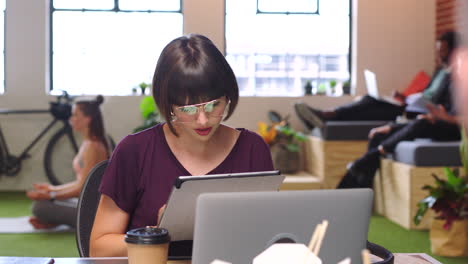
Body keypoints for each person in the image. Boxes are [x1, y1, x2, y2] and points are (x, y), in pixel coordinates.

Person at [89, 34, 274, 257]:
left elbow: (266, 237)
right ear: (168, 104)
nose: (203, 120)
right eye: (188, 109)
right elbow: (99, 248)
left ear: (228, 97)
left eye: (214, 105)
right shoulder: (135, 150)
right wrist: (158, 234)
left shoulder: (252, 148)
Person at [295, 31, 459, 129]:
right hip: (410, 104)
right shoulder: (439, 72)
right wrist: (403, 97)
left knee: (369, 102)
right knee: (369, 99)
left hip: (417, 112)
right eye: (437, 50)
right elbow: (425, 94)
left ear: (453, 51)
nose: (438, 55)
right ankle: (327, 117)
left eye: (442, 51)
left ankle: (327, 116)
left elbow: (440, 104)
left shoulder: (455, 77)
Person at [26, 95, 110, 229]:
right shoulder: (88, 143)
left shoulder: (93, 147)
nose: (71, 119)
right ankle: (56, 220)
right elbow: (80, 183)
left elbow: (83, 189)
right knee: (44, 203)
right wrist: (51, 189)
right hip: (85, 203)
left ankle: (56, 220)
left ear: (88, 119)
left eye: (75, 115)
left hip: (93, 212)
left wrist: (50, 195)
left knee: (40, 207)